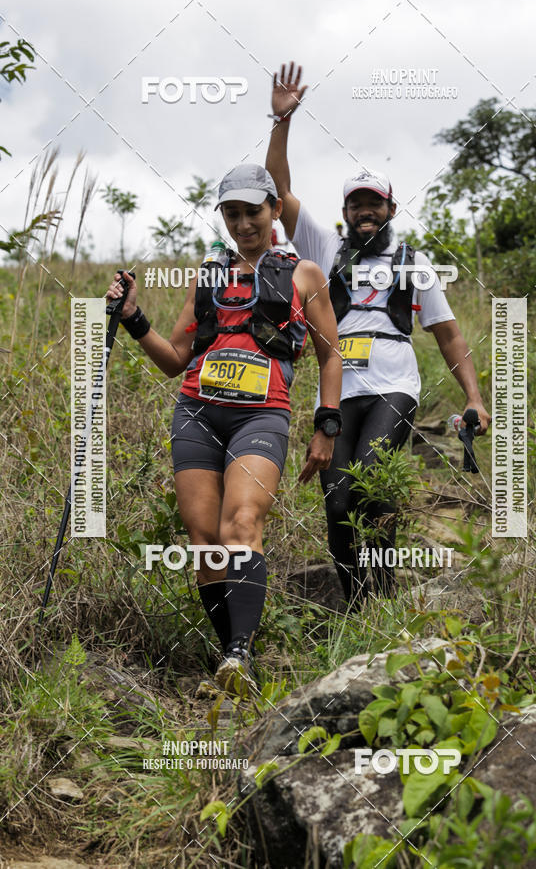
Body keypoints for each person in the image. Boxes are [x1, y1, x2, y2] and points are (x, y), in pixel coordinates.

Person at [105, 164, 342, 692]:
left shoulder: (304, 275)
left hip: (262, 414)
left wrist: (326, 425)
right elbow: (174, 359)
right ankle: (232, 660)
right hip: (196, 413)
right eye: (231, 214)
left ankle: (238, 654)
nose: (243, 223)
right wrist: (133, 317)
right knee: (205, 542)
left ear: (274, 210)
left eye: (252, 211)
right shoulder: (208, 276)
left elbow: (331, 356)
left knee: (243, 522)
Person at [266, 62, 491, 607]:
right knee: (337, 501)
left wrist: (474, 397)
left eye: (375, 203)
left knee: (372, 482)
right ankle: (359, 606)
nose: (366, 211)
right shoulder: (323, 248)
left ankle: (384, 596)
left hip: (394, 385)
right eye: (356, 204)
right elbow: (278, 189)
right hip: (338, 388)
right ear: (345, 212)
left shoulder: (415, 263)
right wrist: (282, 121)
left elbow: (448, 335)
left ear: (390, 208)